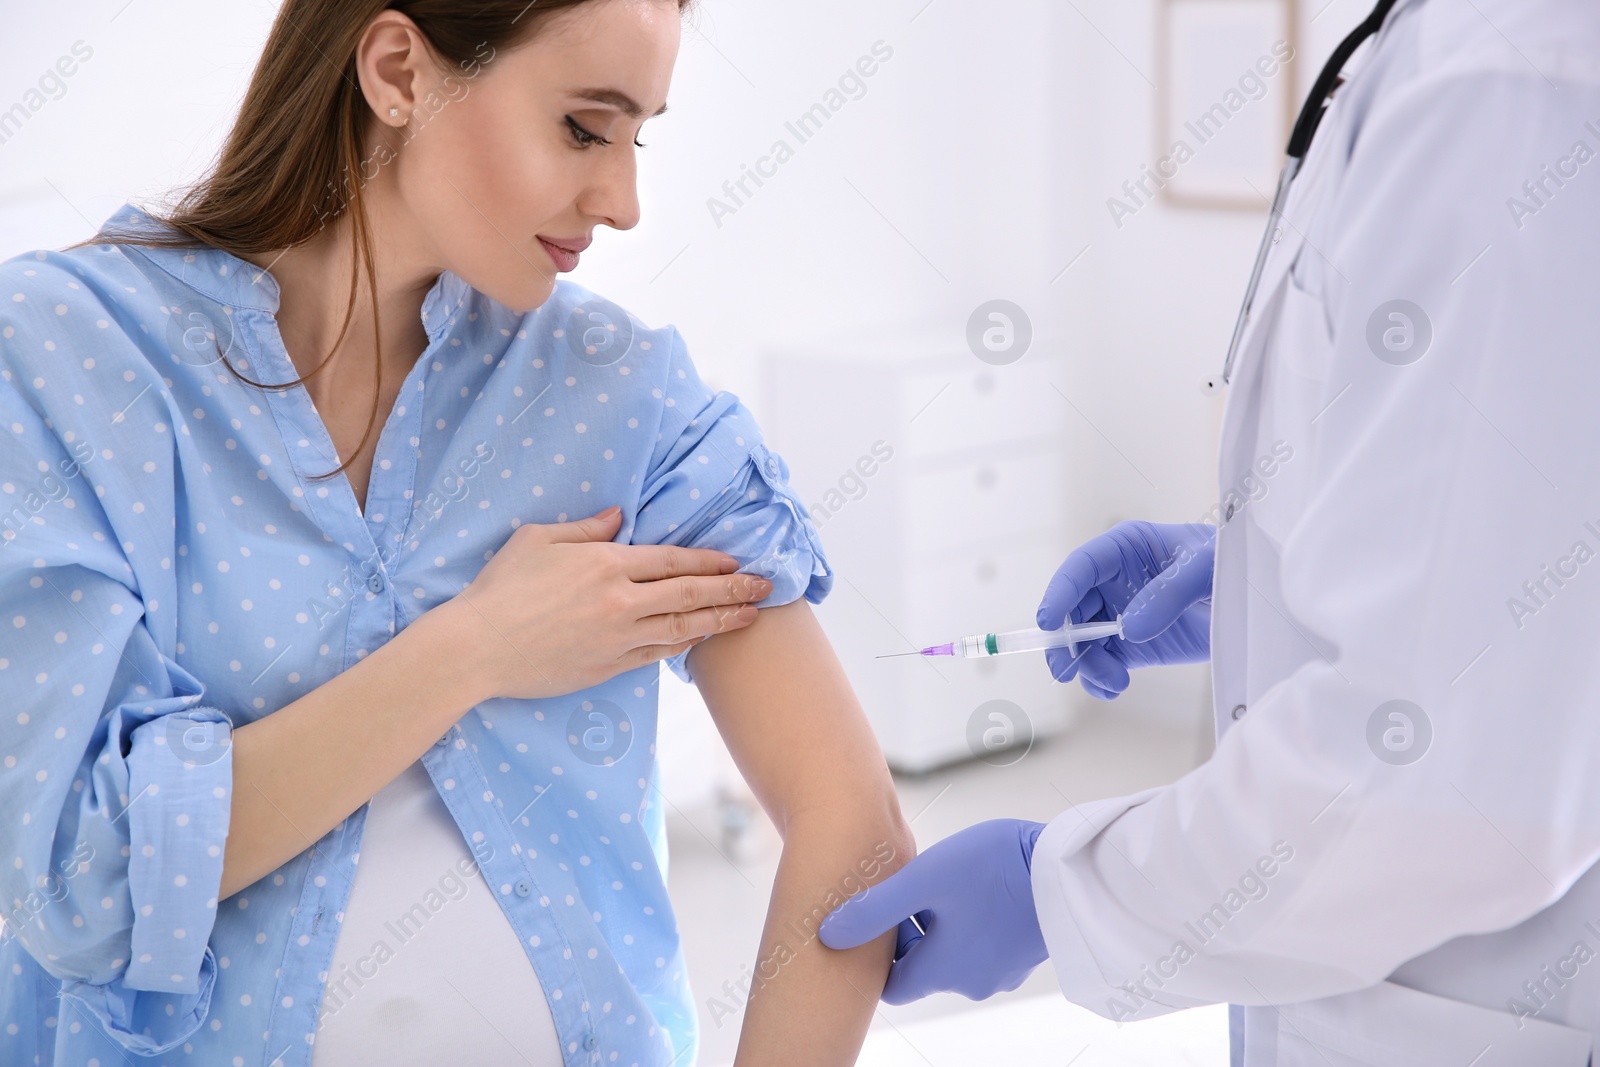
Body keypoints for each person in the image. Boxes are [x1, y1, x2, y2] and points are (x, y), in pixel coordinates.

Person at [0, 2, 915, 1065]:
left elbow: (852, 829)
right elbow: (79, 879)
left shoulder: (624, 396)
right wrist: (472, 648)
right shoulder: (64, 353)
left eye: (637, 136)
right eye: (583, 127)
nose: (621, 202)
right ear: (398, 71)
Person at [819, 0, 1600, 1062]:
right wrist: (1260, 572)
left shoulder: (1515, 77)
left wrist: (1059, 892)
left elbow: (1445, 788)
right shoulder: (1440, 49)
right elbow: (1499, 521)